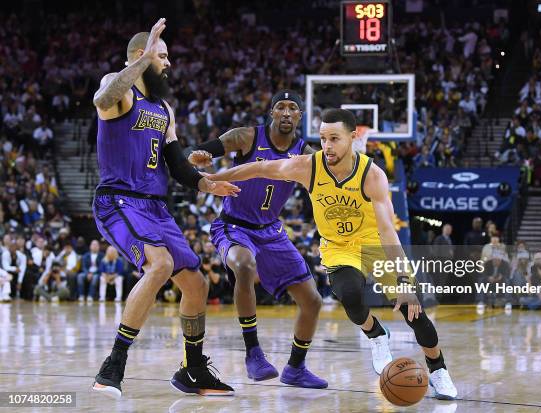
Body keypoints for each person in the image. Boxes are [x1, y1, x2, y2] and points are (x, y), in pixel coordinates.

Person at [207, 108, 458, 399]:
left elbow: (389, 231)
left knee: (413, 313)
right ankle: (376, 334)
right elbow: (260, 168)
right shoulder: (309, 167)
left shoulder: (371, 174)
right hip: (339, 248)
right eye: (323, 138)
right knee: (350, 295)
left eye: (334, 139)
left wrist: (404, 283)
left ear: (352, 138)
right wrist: (213, 178)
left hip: (375, 243)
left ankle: (438, 370)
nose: (327, 145)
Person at [90, 19, 239, 398]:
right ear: (141, 57)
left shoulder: (164, 108)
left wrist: (206, 183)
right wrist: (141, 60)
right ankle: (114, 363)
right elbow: (102, 101)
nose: (169, 63)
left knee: (196, 283)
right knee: (161, 265)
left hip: (156, 206)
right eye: (163, 55)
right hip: (119, 200)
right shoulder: (117, 88)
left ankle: (192, 370)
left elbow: (175, 163)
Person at [188, 91, 326, 388]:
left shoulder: (306, 153)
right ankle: (253, 352)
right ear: (272, 113)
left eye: (293, 108)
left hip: (272, 231)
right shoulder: (247, 137)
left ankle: (296, 368)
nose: (287, 112)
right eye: (281, 107)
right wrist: (201, 154)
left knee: (313, 301)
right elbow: (208, 149)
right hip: (234, 227)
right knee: (244, 265)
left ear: (300, 116)